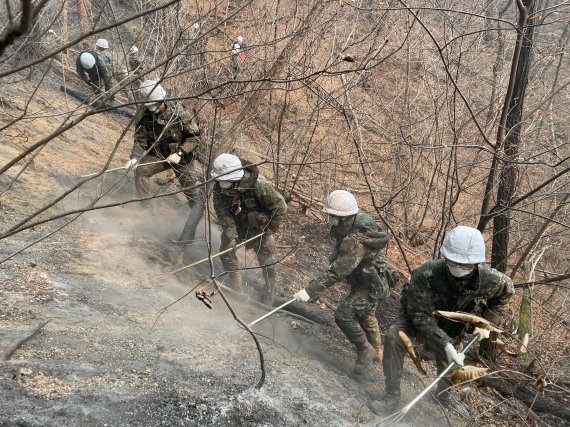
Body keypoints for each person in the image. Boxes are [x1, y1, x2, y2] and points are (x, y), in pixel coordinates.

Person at [368, 225, 514, 416]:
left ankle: (443, 396)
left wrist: (485, 324)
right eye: (452, 261)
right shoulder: (427, 274)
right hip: (418, 320)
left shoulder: (490, 280)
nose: (457, 267)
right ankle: (392, 396)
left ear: (476, 263)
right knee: (394, 337)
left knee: (451, 362)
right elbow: (419, 314)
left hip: (454, 326)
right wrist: (444, 343)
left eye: (464, 264)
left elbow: (506, 294)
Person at [293, 190, 395, 382]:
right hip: (363, 279)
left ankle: (367, 350)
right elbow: (338, 262)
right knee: (366, 314)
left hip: (373, 285)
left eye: (333, 216)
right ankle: (377, 353)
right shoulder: (351, 224)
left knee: (344, 314)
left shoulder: (356, 239)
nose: (329, 220)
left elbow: (338, 271)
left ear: (343, 217)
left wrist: (309, 291)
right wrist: (314, 290)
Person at [124, 80, 205, 239]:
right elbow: (140, 140)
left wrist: (180, 153)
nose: (152, 109)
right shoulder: (144, 114)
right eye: (149, 106)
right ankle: (146, 215)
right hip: (158, 155)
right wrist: (134, 157)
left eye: (154, 105)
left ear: (162, 100)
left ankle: (197, 222)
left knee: (190, 190)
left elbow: (195, 138)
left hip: (180, 157)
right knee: (141, 170)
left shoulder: (179, 112)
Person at [211, 154, 287, 306]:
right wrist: (231, 235)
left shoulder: (257, 185)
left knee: (268, 262)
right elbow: (222, 212)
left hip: (259, 229)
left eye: (225, 180)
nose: (222, 183)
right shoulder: (218, 187)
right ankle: (237, 288)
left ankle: (269, 291)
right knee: (225, 251)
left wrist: (272, 228)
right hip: (237, 226)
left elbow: (280, 205)